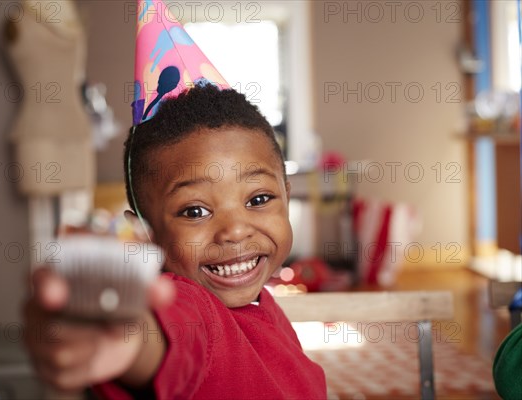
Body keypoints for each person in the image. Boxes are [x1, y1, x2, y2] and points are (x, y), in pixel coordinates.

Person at [23, 84, 327, 399]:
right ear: (145, 235)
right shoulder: (191, 308)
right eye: (194, 211)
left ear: (287, 197)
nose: (235, 230)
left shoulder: (266, 307)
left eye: (259, 198)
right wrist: (123, 337)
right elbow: (167, 338)